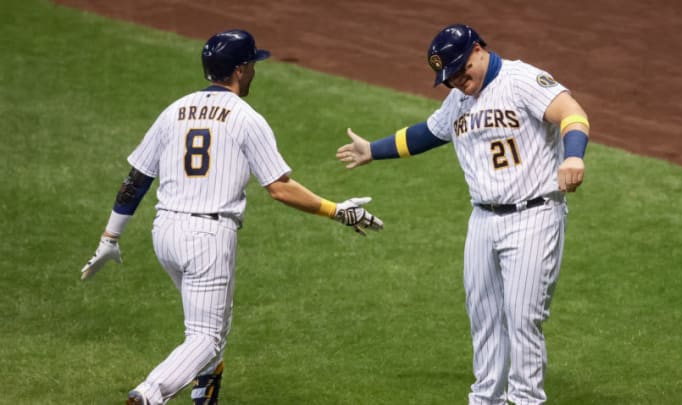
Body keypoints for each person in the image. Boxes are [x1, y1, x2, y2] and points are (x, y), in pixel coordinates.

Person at [79, 29, 383, 405]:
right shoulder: (245, 118)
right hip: (207, 237)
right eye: (252, 64)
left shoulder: (174, 110)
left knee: (214, 327)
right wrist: (337, 211)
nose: (255, 70)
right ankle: (149, 394)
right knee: (205, 336)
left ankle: (204, 398)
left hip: (165, 233)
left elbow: (136, 180)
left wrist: (110, 238)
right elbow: (280, 188)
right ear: (240, 70)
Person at [336, 24, 590, 404]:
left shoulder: (521, 79)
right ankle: (486, 399)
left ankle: (525, 400)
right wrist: (374, 149)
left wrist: (573, 155)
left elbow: (571, 111)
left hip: (533, 215)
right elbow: (428, 133)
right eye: (449, 77)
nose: (457, 81)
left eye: (460, 70)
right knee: (484, 318)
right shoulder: (459, 100)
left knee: (522, 319)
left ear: (478, 50)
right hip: (482, 221)